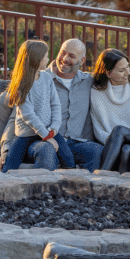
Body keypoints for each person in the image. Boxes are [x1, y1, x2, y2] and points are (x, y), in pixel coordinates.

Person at [1, 39, 75, 173]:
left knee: (68, 159)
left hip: (49, 130)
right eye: (46, 56)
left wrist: (55, 127)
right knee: (9, 167)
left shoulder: (47, 78)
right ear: (37, 59)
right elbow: (29, 116)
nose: (48, 59)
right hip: (25, 135)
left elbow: (55, 104)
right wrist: (47, 137)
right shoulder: (21, 86)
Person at [31, 38, 105, 172]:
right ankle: (45, 192)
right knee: (47, 151)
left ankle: (84, 191)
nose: (64, 58)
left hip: (73, 143)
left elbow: (115, 81)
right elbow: (17, 112)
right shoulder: (38, 78)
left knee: (96, 151)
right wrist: (7, 148)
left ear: (82, 61)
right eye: (62, 53)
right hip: (43, 141)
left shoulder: (88, 82)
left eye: (71, 56)